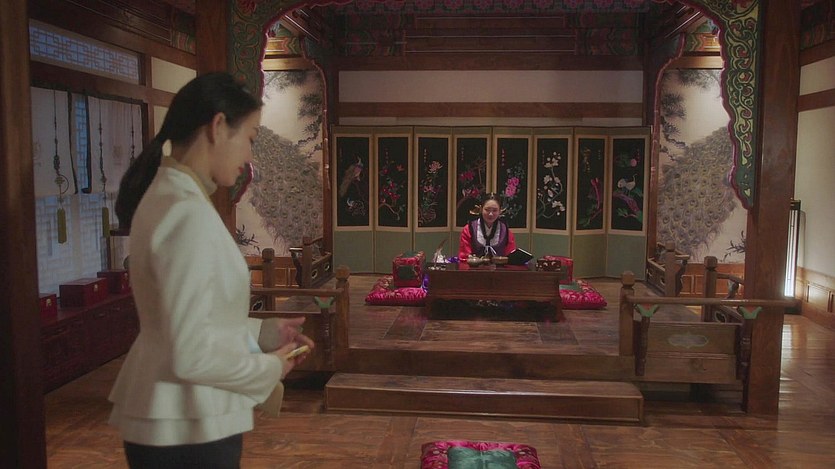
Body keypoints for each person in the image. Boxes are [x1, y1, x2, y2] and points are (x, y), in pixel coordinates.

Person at [108, 72, 314, 469]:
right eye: (250, 138)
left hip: (179, 418)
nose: (250, 156)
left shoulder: (172, 197)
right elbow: (191, 354)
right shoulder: (185, 212)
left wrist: (261, 333)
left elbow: (184, 321)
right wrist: (271, 366)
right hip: (187, 422)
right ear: (218, 126)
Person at [458, 192, 517, 260]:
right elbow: (464, 257)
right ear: (481, 209)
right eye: (487, 210)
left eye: (495, 210)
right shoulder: (469, 229)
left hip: (499, 267)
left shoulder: (505, 231)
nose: (490, 214)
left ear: (500, 211)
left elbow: (510, 257)